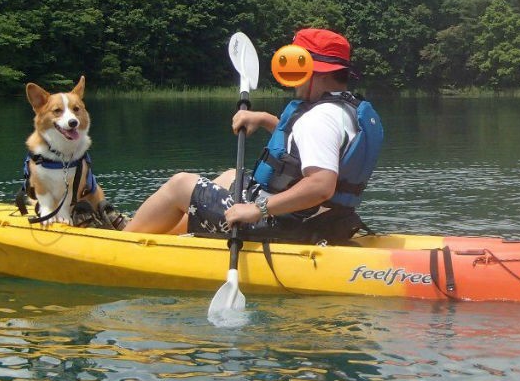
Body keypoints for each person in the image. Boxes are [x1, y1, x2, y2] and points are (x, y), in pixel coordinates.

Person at [125, 28, 383, 244]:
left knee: (180, 184)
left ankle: (123, 244)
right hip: (325, 220)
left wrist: (257, 209)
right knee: (230, 176)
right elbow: (299, 149)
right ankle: (169, 239)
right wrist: (263, 119)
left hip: (287, 226)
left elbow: (320, 185)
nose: (292, 80)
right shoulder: (344, 111)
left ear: (318, 71)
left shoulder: (318, 120)